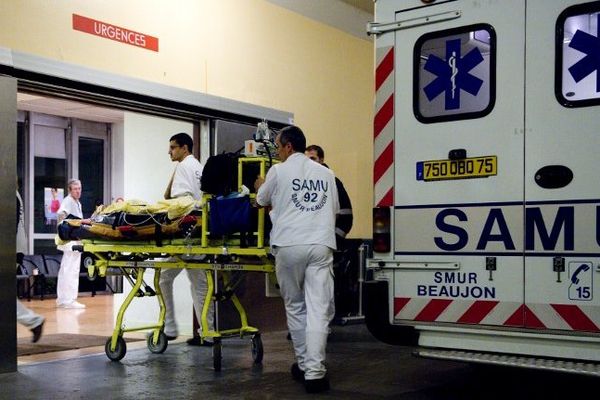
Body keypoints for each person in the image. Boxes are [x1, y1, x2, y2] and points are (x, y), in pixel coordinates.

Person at [255, 126, 339, 393]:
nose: (278, 152)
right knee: (318, 309)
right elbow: (333, 208)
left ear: (288, 147)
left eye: (279, 147)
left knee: (296, 306)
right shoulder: (327, 173)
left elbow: (260, 200)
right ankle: (315, 373)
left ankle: (304, 365)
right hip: (320, 244)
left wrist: (260, 187)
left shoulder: (278, 171)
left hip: (290, 245)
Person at [160, 132, 214, 346]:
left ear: (185, 148)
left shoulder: (184, 167)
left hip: (187, 236)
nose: (169, 151)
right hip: (201, 234)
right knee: (199, 285)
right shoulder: (198, 167)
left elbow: (180, 202)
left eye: (173, 147)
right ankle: (207, 333)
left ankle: (170, 327)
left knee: (164, 277)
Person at [16, 189, 45, 342]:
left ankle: (34, 321)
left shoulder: (9, 192)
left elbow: (10, 224)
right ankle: (34, 321)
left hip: (11, 248)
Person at [56, 179, 87, 309]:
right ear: (70, 190)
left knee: (67, 269)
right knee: (70, 270)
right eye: (75, 189)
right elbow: (61, 215)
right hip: (71, 240)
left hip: (74, 239)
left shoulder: (77, 202)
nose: (78, 191)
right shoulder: (68, 201)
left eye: (79, 188)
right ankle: (68, 300)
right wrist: (68, 227)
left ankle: (63, 299)